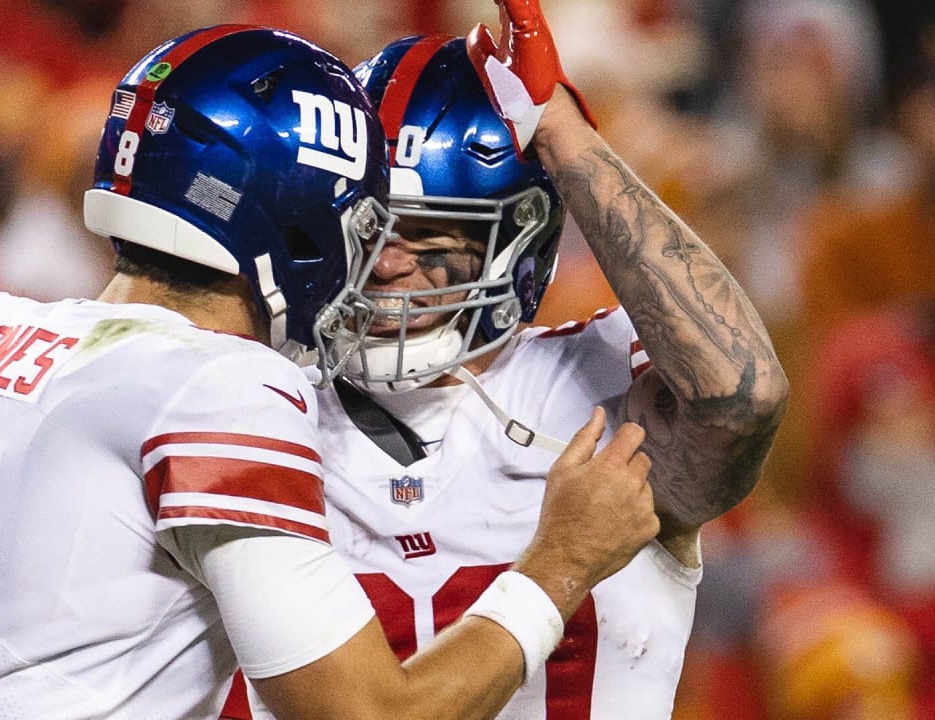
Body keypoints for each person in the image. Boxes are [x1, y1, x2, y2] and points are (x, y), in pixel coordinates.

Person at [0, 24, 660, 720]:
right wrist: (559, 567)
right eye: (362, 222)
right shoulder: (220, 384)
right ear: (299, 215)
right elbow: (372, 716)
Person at [227, 2, 790, 718]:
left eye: (430, 235)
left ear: (524, 236)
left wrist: (558, 129)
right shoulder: (257, 403)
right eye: (364, 229)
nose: (386, 264)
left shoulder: (602, 389)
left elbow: (744, 396)